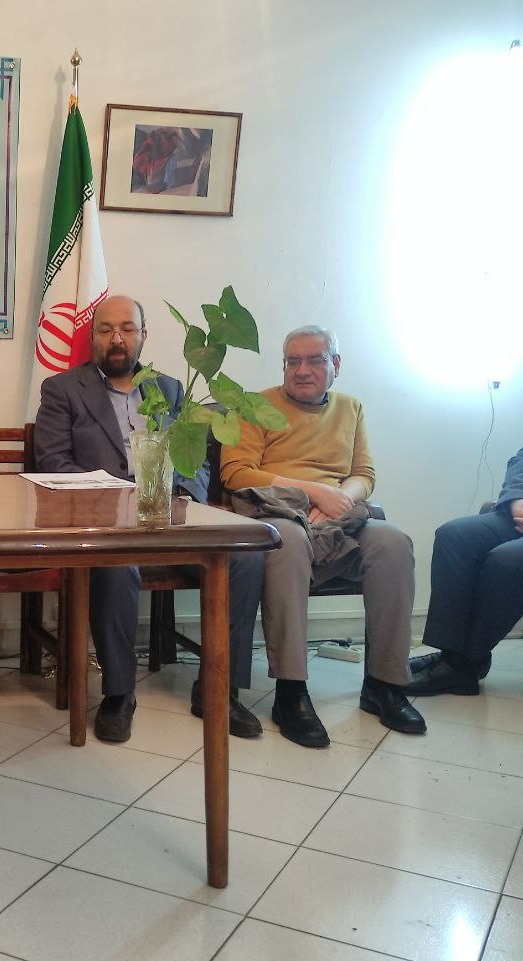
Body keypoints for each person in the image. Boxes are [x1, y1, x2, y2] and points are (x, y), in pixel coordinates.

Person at [33, 295, 264, 743]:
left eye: (127, 328)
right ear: (93, 336)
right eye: (105, 329)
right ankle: (119, 693)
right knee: (116, 566)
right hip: (107, 520)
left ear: (143, 335)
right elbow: (53, 463)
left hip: (171, 516)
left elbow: (195, 458)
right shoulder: (63, 389)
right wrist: (120, 497)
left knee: (245, 559)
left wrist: (185, 495)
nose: (116, 339)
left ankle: (219, 688)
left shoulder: (172, 390)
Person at [220, 324, 425, 747]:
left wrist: (340, 500)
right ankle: (291, 690)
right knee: (288, 541)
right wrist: (312, 492)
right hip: (278, 511)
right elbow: (235, 473)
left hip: (337, 517)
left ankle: (384, 684)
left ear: (336, 364)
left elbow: (364, 473)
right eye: (292, 361)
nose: (302, 370)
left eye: (314, 360)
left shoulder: (351, 408)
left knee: (393, 543)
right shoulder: (255, 406)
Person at [404, 446, 523, 695]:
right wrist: (518, 501)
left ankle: (463, 661)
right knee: (454, 536)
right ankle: (453, 655)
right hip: (517, 518)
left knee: (506, 560)